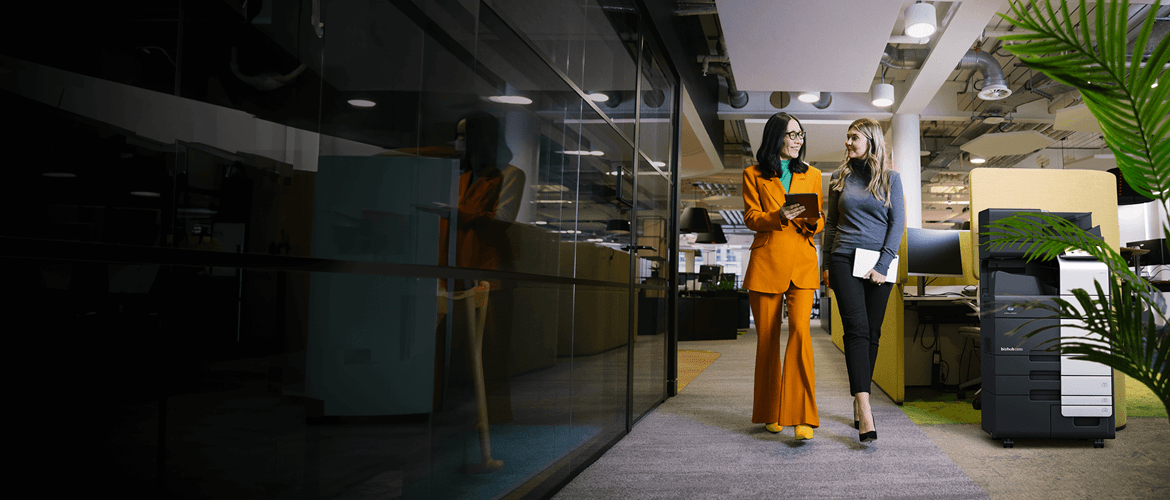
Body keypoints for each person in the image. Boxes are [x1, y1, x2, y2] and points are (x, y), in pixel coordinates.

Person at [821, 117, 905, 443]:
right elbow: (830, 225)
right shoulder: (838, 178)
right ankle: (864, 406)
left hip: (879, 265)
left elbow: (896, 224)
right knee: (856, 330)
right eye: (847, 137)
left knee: (872, 332)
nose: (848, 143)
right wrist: (825, 265)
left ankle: (860, 398)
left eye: (854, 137)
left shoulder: (891, 180)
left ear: (870, 140)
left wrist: (883, 264)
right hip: (844, 258)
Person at [741, 112, 823, 440]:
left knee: (801, 334)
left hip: (802, 264)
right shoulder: (753, 174)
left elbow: (819, 221)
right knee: (767, 341)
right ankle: (770, 412)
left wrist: (811, 220)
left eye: (800, 135)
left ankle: (801, 416)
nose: (797, 140)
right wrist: (779, 216)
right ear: (776, 138)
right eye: (791, 135)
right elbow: (751, 217)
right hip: (767, 263)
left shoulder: (813, 174)